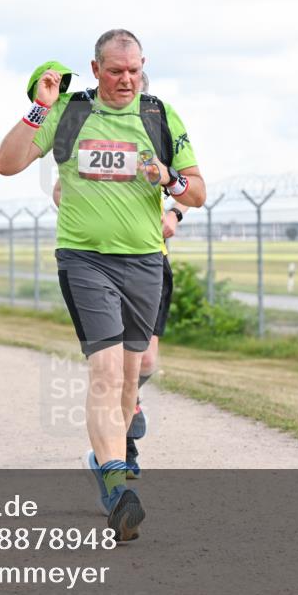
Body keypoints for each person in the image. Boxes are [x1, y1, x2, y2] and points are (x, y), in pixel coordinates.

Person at [0, 31, 205, 541]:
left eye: (133, 70)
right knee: (106, 373)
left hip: (144, 262)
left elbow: (197, 191)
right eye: (115, 71)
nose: (126, 80)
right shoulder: (68, 112)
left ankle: (105, 458)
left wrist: (168, 179)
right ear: (95, 69)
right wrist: (39, 108)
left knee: (131, 378)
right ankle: (116, 487)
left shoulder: (159, 114)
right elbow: (7, 163)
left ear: (143, 65)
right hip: (85, 260)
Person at [43, 67, 186, 479]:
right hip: (96, 260)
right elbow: (61, 190)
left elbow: (188, 188)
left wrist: (174, 214)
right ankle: (117, 457)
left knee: (143, 362)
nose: (128, 90)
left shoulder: (158, 127)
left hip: (150, 259)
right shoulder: (89, 131)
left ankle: (130, 401)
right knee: (112, 368)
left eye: (136, 83)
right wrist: (90, 205)